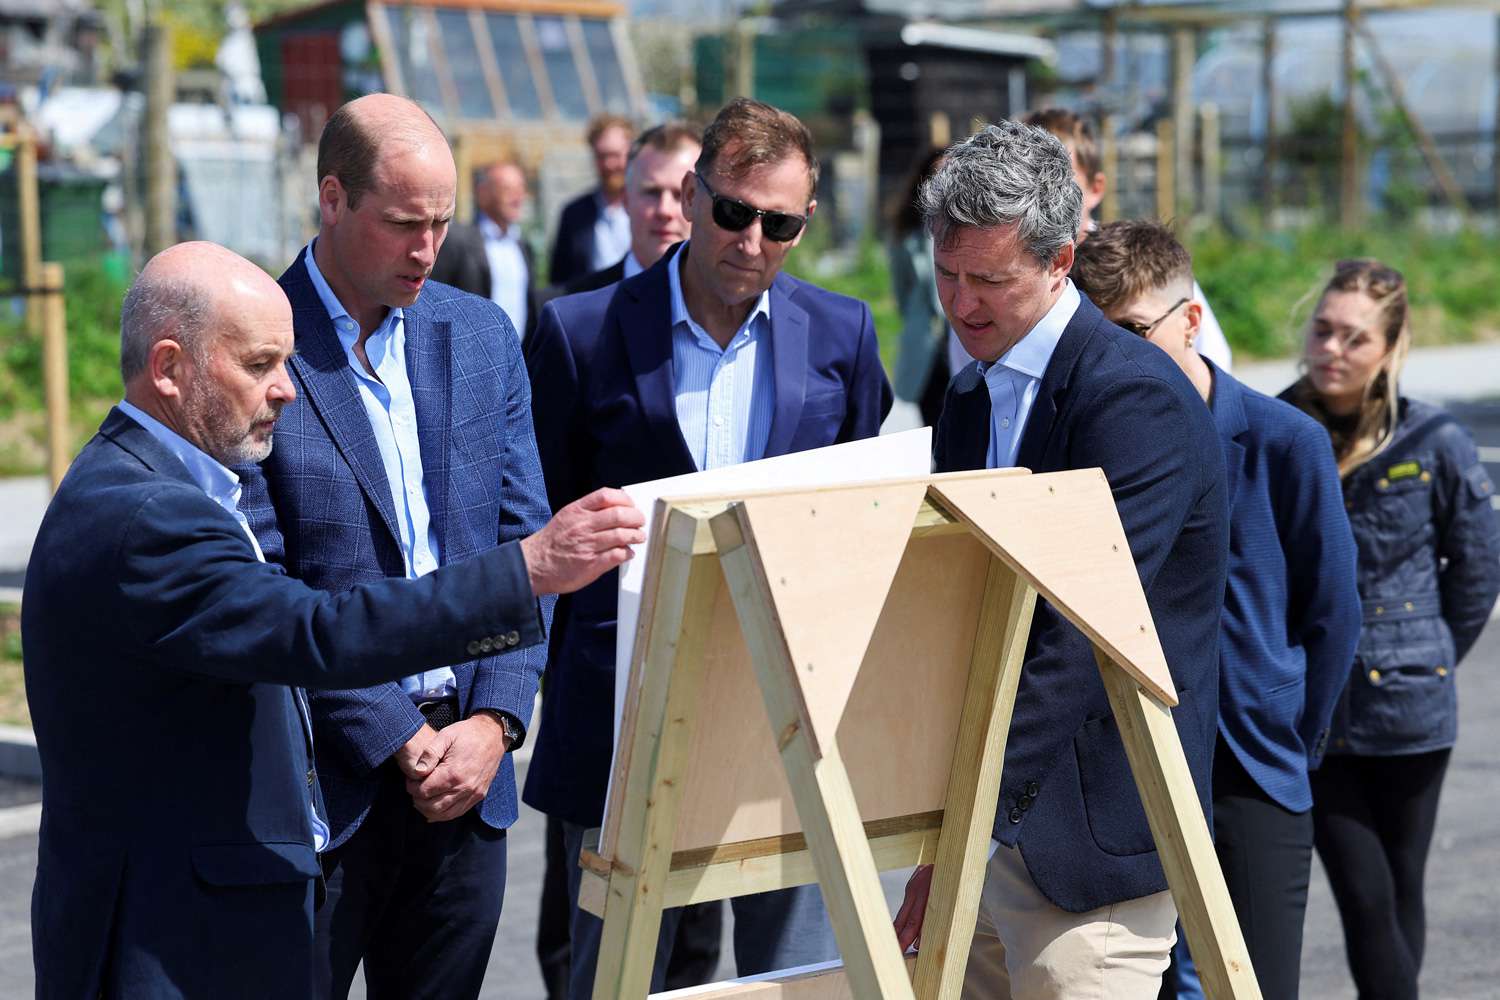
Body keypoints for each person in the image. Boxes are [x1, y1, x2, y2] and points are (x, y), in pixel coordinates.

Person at [23, 240, 643, 999]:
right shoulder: (148, 514)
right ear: (169, 369)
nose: (286, 389)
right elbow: (317, 634)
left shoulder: (167, 483)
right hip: (174, 946)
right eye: (258, 365)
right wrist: (529, 569)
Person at [524, 97, 893, 998]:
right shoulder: (579, 333)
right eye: (734, 212)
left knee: (802, 977)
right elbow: (535, 524)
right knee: (611, 977)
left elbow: (866, 521)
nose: (753, 240)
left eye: (782, 224)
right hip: (621, 716)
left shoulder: (843, 335)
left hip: (789, 719)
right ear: (692, 196)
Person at [892, 120, 1227, 1000]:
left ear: (1061, 260)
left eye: (990, 281)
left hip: (1093, 849)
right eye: (948, 275)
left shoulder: (1133, 402)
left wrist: (962, 823)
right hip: (987, 830)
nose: (962, 306)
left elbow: (1077, 639)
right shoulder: (967, 396)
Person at [235, 93, 555, 1000]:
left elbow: (523, 547)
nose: (428, 248)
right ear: (332, 199)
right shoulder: (261, 345)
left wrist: (495, 722)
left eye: (442, 223)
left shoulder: (483, 336)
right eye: (404, 224)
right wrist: (398, 736)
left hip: (472, 781)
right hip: (326, 790)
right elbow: (267, 581)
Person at [1072, 220, 1363, 999]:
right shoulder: (1088, 440)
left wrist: (1290, 731)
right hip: (1136, 762)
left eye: (1132, 332)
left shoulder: (1285, 441)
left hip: (1254, 764)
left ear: (1192, 320)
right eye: (1098, 337)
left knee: (1258, 983)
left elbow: (1333, 615)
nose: (1115, 357)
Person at [532, 115, 723, 1000]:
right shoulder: (578, 323)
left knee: (699, 934)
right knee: (587, 927)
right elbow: (542, 503)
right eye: (644, 191)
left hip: (730, 680)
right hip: (605, 682)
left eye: (679, 191)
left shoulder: (797, 332)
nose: (663, 209)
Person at [1280, 259, 1500, 1000]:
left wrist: (1427, 655)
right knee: (1365, 896)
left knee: (1404, 889)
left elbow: (1475, 572)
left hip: (1411, 706)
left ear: (1390, 346)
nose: (1332, 350)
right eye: (1322, 330)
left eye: (1354, 337)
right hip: (1317, 709)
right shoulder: (1276, 427)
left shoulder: (1434, 440)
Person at [1022, 108, 1234, 372]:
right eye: (1024, 183)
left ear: (1096, 188)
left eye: (1060, 181)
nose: (1040, 198)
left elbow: (1212, 361)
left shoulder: (1141, 261)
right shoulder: (992, 278)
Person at [549, 120, 701, 299]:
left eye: (681, 195)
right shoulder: (572, 313)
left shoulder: (735, 310)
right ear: (626, 199)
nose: (664, 210)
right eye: (652, 192)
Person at [431, 160, 540, 340]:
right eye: (507, 189)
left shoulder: (523, 246)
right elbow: (435, 299)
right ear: (483, 194)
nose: (518, 197)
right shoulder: (458, 240)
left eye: (521, 188)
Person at [887, 147, 951, 428]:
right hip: (924, 341)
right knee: (931, 419)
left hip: (958, 340)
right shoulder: (908, 233)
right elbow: (901, 290)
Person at [549, 113, 633, 285]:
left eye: (615, 155)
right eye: (602, 156)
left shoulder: (650, 208)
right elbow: (559, 279)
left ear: (632, 154)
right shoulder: (574, 215)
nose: (609, 164)